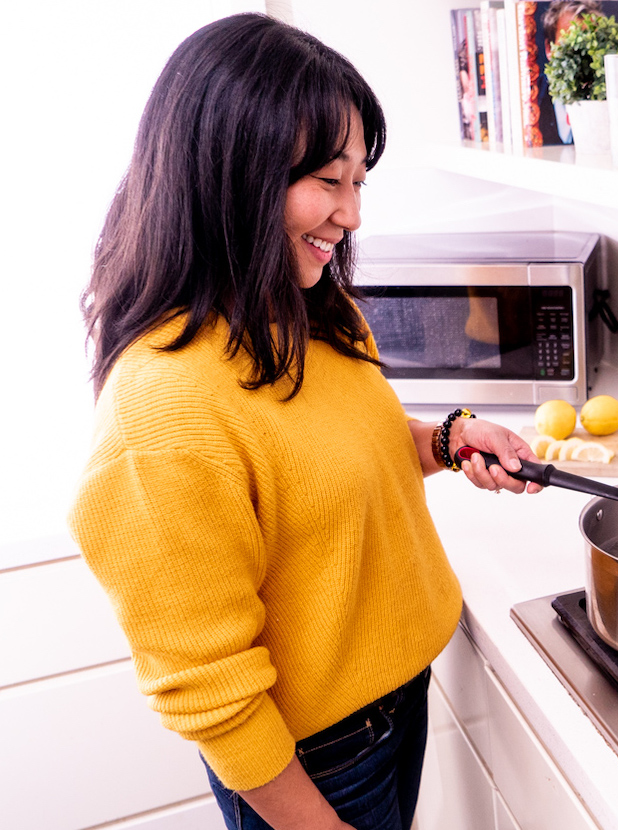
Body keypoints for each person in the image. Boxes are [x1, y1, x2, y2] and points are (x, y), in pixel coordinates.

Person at [68, 13, 542, 830]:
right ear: (229, 174)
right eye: (328, 180)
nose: (351, 214)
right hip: (316, 762)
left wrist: (446, 438)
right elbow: (207, 687)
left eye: (359, 181)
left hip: (400, 698)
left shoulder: (304, 309)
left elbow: (341, 447)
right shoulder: (161, 409)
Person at [541, 0, 604, 143]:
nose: (579, 56)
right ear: (549, 49)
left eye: (587, 44)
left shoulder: (612, 101)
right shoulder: (530, 101)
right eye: (568, 44)